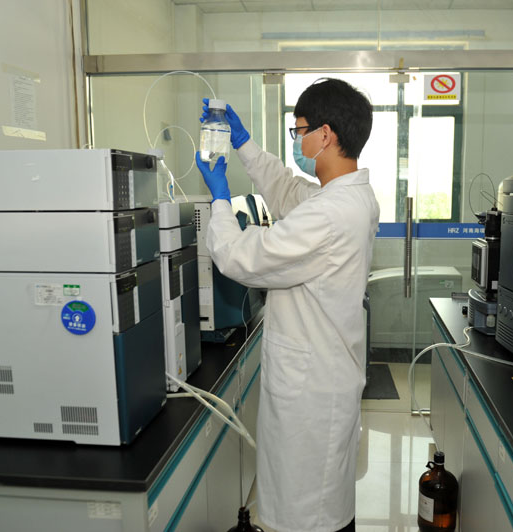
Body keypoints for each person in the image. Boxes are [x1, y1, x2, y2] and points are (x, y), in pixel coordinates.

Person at [195, 78, 379, 532]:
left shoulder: (330, 214)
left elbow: (239, 258)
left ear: (325, 134)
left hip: (311, 392)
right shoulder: (346, 196)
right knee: (318, 504)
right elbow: (286, 191)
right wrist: (243, 145)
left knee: (307, 515)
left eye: (299, 131)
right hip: (323, 377)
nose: (297, 141)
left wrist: (219, 200)